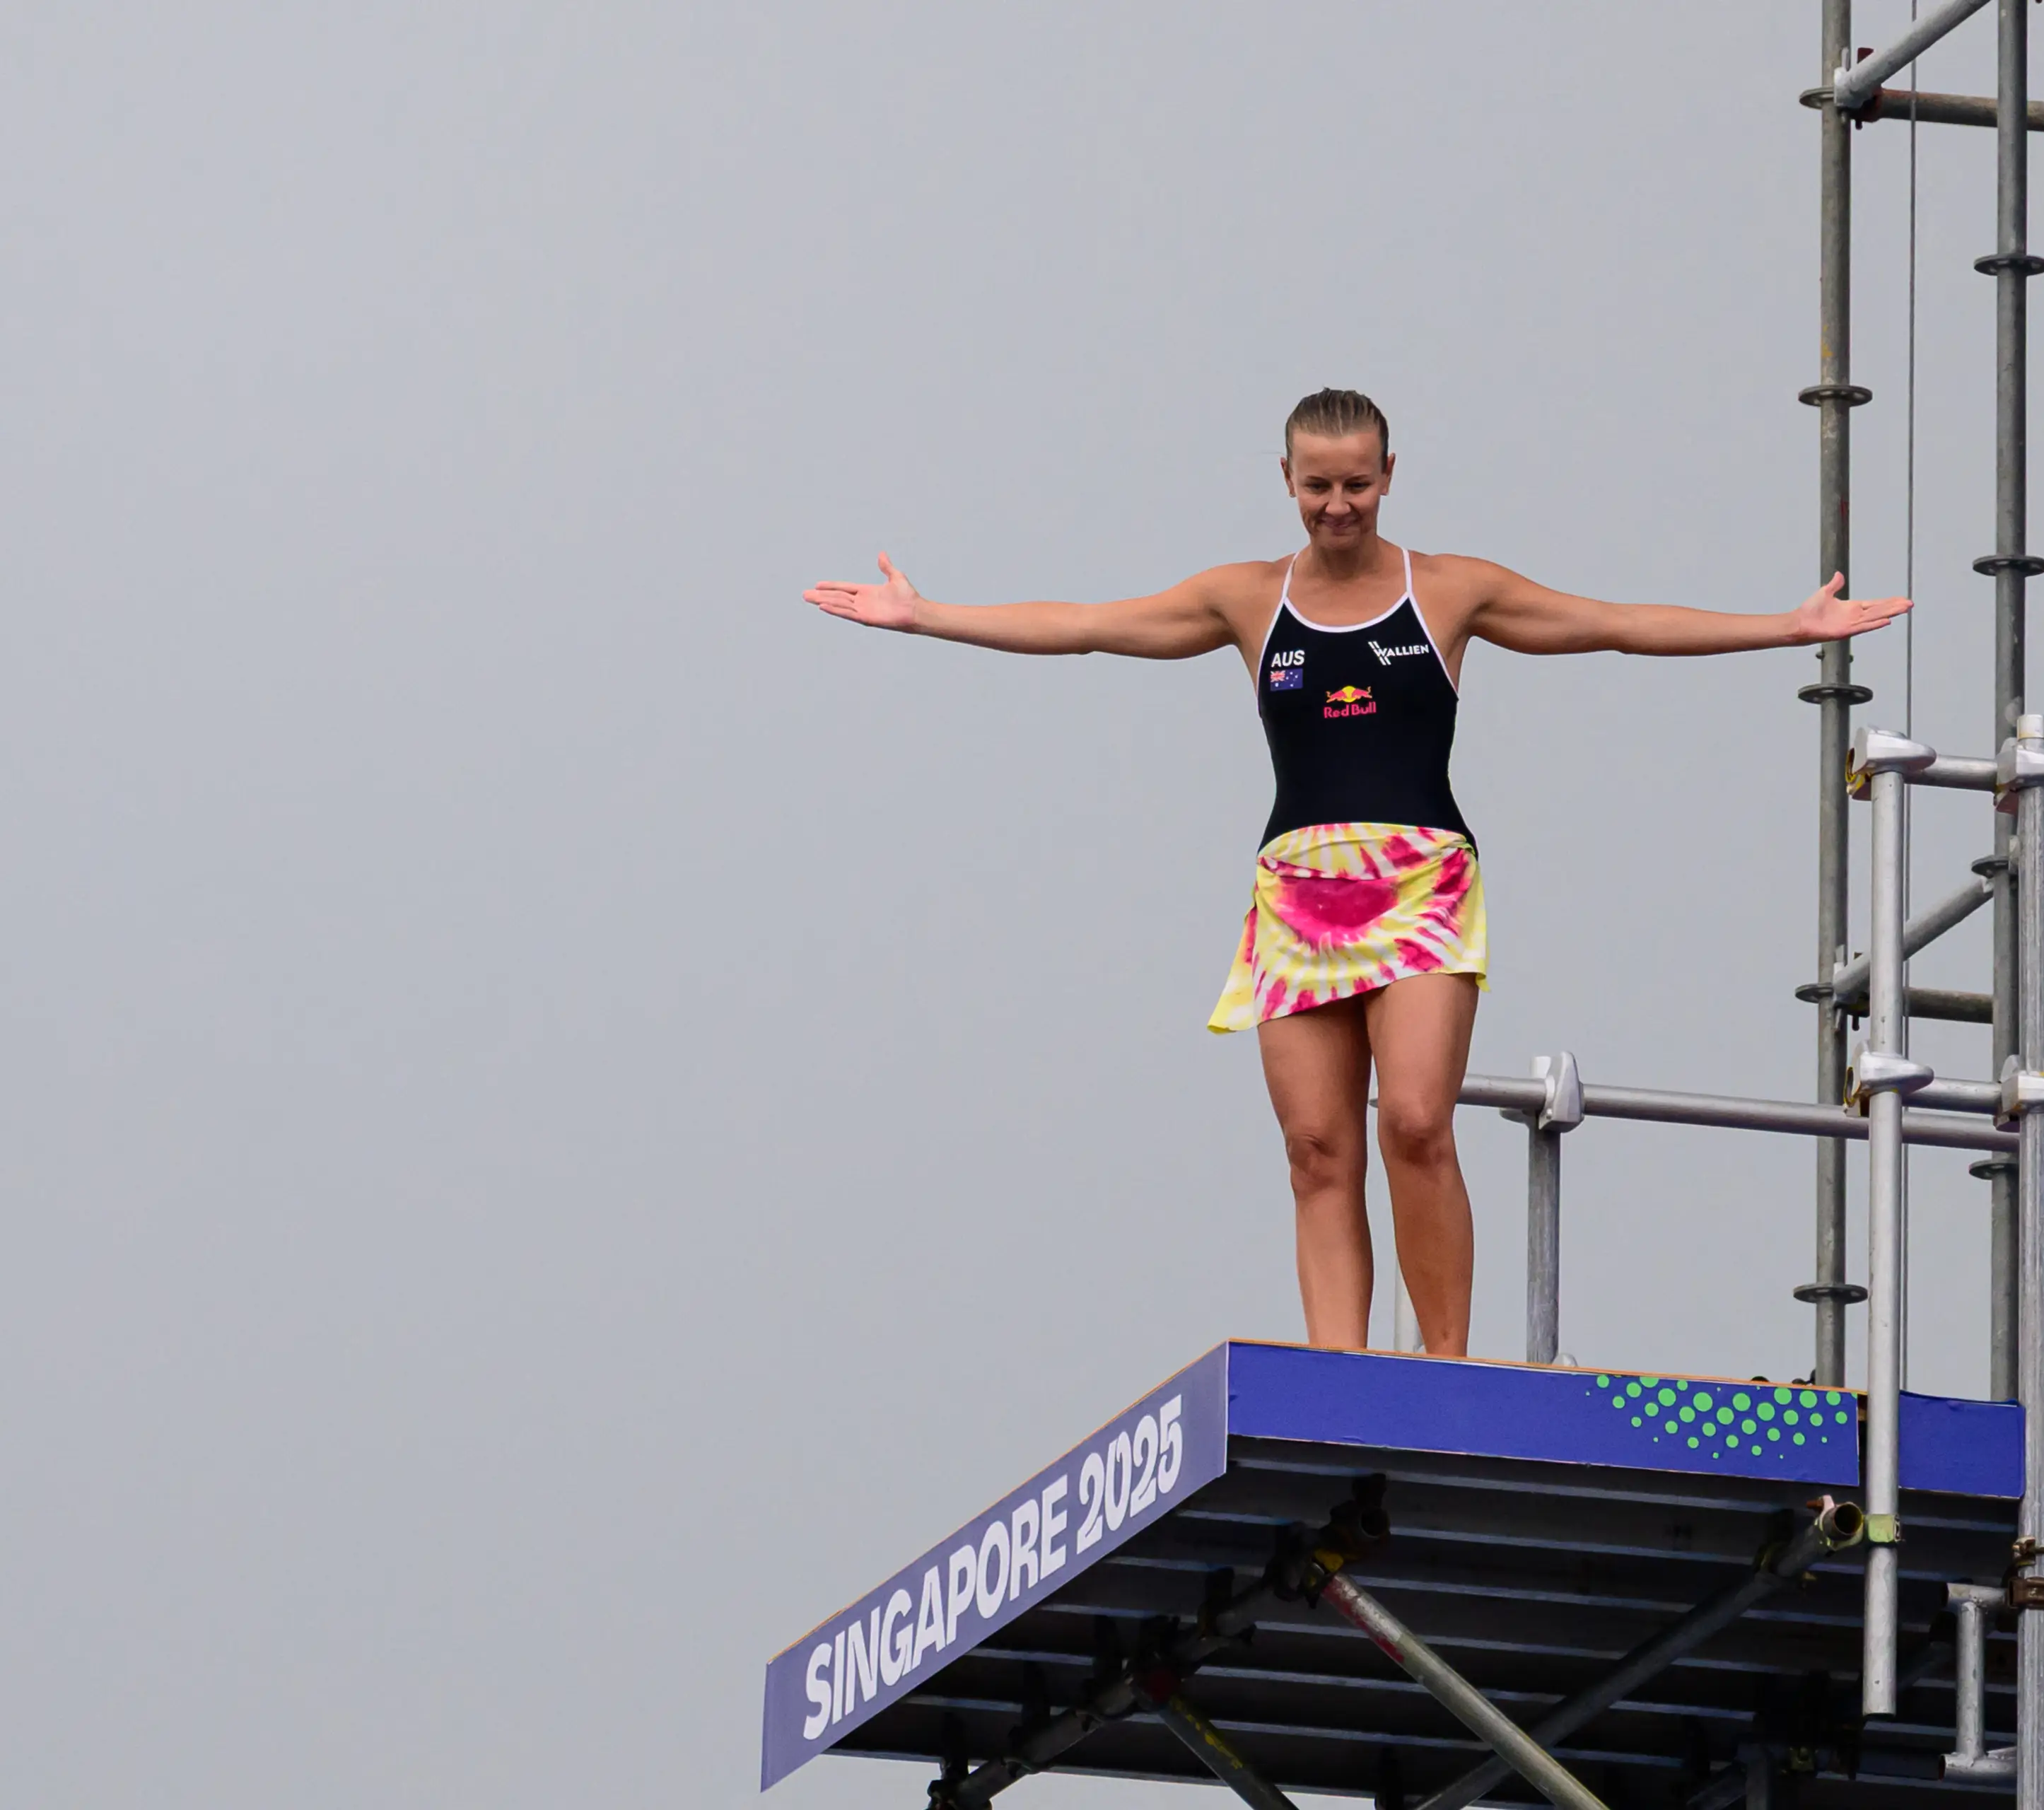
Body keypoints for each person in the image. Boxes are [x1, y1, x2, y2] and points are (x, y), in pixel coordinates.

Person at [805, 388, 1909, 1358]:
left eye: (1358, 485)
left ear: (1391, 478)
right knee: (1316, 1144)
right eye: (1318, 486)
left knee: (1415, 1120)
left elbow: (1613, 624)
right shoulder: (1246, 599)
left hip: (1421, 879)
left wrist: (1788, 627)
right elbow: (1089, 625)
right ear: (1285, 480)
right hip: (1297, 890)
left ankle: (1443, 1363)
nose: (1339, 506)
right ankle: (1340, 1368)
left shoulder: (1450, 591)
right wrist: (927, 615)